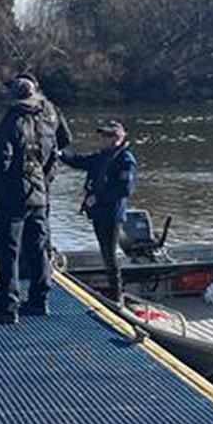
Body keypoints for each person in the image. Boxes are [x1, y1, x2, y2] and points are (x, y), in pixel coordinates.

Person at [0, 72, 71, 324]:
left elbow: (1, 159)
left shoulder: (13, 118)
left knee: (7, 249)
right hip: (40, 191)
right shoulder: (50, 111)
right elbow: (65, 140)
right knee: (39, 247)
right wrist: (46, 171)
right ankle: (40, 300)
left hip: (13, 194)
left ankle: (7, 305)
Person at [59, 120, 137, 306]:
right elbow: (79, 161)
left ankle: (117, 295)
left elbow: (125, 189)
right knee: (104, 252)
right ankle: (114, 291)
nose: (102, 138)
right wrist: (59, 154)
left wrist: (98, 199)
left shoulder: (126, 159)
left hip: (112, 214)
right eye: (102, 135)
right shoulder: (101, 156)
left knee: (110, 255)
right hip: (98, 214)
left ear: (117, 138)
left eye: (107, 135)